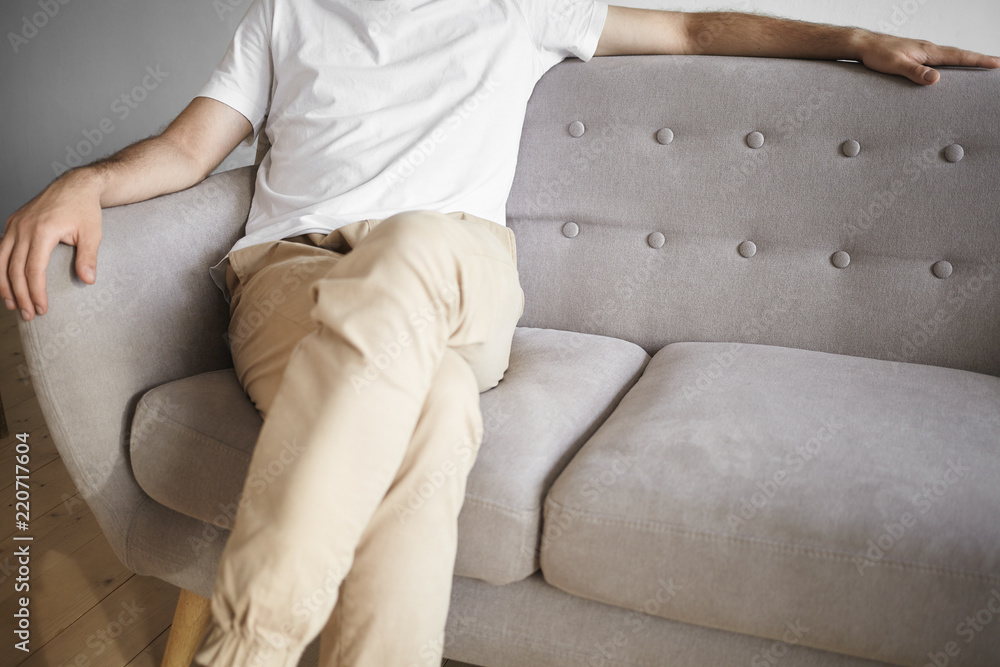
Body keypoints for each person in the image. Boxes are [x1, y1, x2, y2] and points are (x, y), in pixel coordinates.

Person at [2, 2, 997, 665]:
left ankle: (252, 643)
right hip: (292, 278)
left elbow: (692, 29)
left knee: (418, 245)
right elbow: (186, 149)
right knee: (429, 411)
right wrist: (83, 182)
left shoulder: (517, 7)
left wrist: (849, 39)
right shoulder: (287, 13)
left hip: (453, 270)